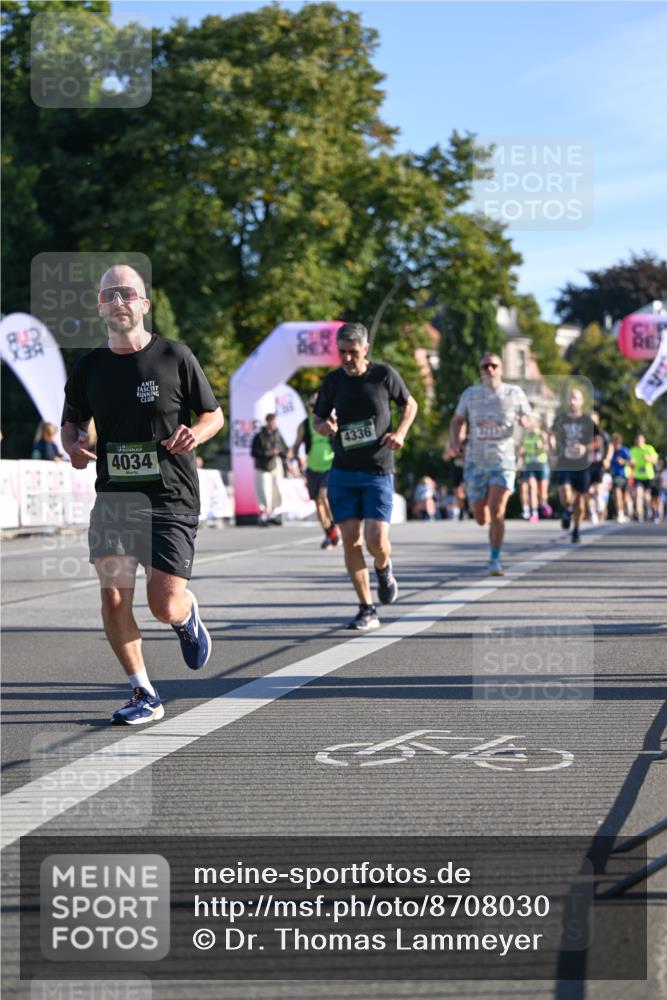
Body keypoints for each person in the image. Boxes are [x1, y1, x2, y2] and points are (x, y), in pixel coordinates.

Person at [61, 264, 224, 725]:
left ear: (143, 304)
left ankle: (185, 616)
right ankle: (143, 692)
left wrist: (198, 432)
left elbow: (214, 414)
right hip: (115, 497)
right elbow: (70, 423)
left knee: (162, 603)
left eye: (127, 293)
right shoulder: (89, 367)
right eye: (108, 294)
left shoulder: (175, 355)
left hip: (171, 495)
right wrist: (73, 446)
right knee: (113, 598)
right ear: (99, 307)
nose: (118, 301)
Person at [312, 321, 418, 630]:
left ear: (365, 350)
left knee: (376, 540)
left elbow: (410, 405)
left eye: (353, 353)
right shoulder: (333, 382)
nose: (347, 359)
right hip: (344, 471)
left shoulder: (384, 375)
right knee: (350, 540)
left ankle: (384, 569)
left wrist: (400, 432)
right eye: (342, 352)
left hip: (377, 470)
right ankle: (366, 607)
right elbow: (319, 417)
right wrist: (324, 426)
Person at [449, 352, 532, 575]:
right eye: (485, 367)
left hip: (503, 459)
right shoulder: (470, 395)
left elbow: (529, 417)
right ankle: (482, 516)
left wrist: (525, 421)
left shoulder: (514, 393)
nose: (490, 370)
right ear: (480, 371)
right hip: (475, 461)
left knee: (497, 510)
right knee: (481, 517)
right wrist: (455, 442)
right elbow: (457, 421)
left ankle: (495, 558)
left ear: (501, 369)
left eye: (494, 366)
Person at [293, 393, 340, 548]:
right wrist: (296, 457)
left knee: (324, 496)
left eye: (316, 405)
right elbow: (296, 445)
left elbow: (341, 439)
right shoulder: (305, 424)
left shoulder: (330, 421)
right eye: (311, 406)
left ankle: (334, 527)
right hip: (313, 467)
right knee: (318, 504)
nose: (314, 409)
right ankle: (329, 533)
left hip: (330, 465)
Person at [550, 387, 596, 543]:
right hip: (565, 461)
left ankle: (576, 529)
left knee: (580, 501)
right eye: (570, 398)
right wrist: (553, 452)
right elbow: (552, 436)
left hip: (582, 465)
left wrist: (585, 447)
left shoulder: (587, 420)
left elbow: (597, 441)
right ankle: (566, 510)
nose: (572, 401)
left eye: (575, 398)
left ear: (582, 401)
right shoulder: (561, 418)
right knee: (565, 493)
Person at [251, 414, 289, 525]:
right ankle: (263, 516)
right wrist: (266, 453)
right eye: (271, 422)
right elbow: (254, 452)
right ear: (267, 422)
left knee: (276, 490)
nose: (273, 424)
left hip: (275, 466)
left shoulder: (278, 435)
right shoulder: (259, 436)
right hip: (262, 467)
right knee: (264, 491)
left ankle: (274, 514)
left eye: (274, 422)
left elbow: (284, 450)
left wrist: (282, 453)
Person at [518, 416, 551, 522]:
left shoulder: (542, 434)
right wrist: (520, 457)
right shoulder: (525, 435)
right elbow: (522, 449)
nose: (528, 422)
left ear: (536, 422)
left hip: (541, 465)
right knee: (532, 487)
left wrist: (542, 446)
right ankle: (534, 512)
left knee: (543, 492)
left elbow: (549, 448)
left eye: (530, 419)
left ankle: (543, 504)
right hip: (530, 465)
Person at [587, 411, 613, 524]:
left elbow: (610, 447)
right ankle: (592, 512)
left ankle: (599, 505)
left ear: (597, 421)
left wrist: (607, 458)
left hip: (598, 465)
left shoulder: (602, 434)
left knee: (597, 489)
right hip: (586, 466)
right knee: (587, 491)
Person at [629, 433, 659, 522]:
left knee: (647, 496)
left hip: (648, 476)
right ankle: (639, 513)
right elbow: (629, 462)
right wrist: (630, 462)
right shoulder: (632, 450)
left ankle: (650, 511)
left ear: (644, 440)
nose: (639, 442)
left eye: (640, 440)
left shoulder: (649, 448)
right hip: (638, 476)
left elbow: (655, 461)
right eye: (637, 440)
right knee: (638, 494)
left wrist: (648, 459)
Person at [610, 433, 632, 522]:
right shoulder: (610, 451)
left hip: (624, 476)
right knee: (617, 493)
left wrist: (624, 461)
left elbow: (632, 462)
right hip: (614, 477)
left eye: (617, 443)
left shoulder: (624, 450)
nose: (616, 445)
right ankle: (620, 513)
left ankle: (626, 512)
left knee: (625, 497)